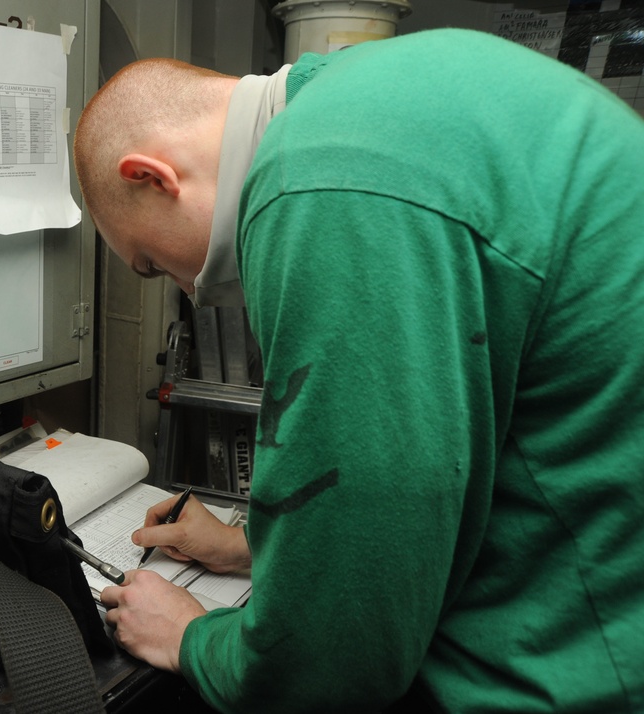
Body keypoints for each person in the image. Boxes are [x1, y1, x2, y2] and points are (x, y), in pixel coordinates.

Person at [73, 27, 644, 714]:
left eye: (152, 263)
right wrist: (254, 545)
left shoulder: (318, 175)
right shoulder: (365, 94)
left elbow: (332, 663)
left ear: (152, 176)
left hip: (577, 664)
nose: (191, 291)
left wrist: (191, 635)